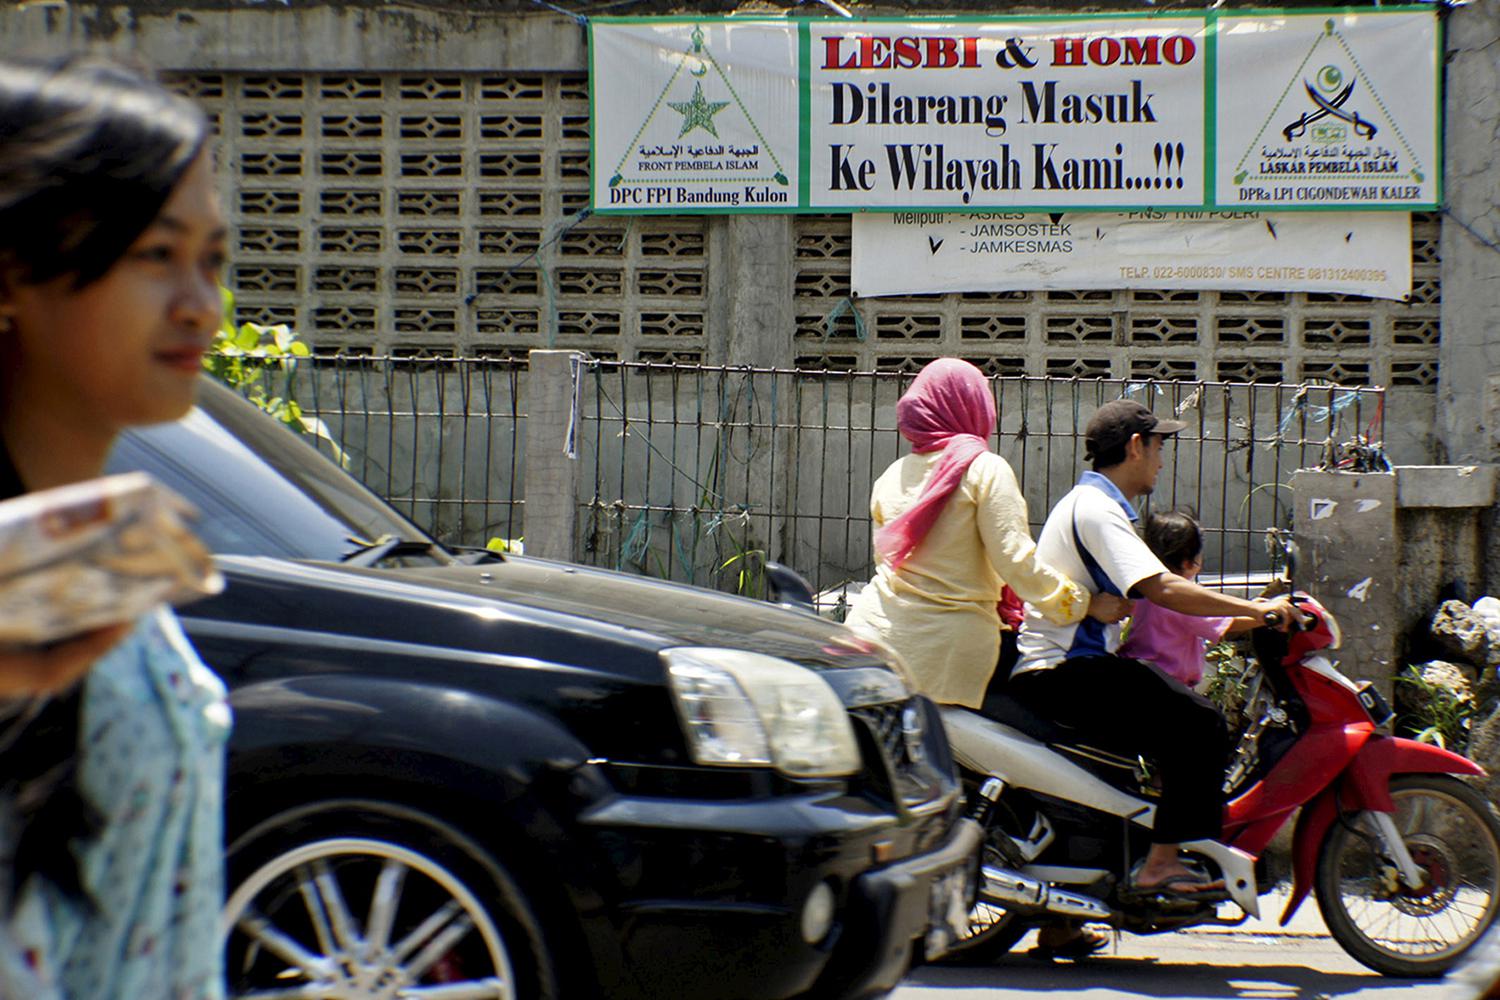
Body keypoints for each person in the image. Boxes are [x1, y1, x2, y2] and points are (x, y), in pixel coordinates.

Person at [0, 55, 229, 998]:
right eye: (154, 254)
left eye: (212, 259)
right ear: (15, 269)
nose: (199, 305)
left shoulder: (104, 561)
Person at [1009, 399, 1300, 897]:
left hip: (1069, 667)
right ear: (1135, 446)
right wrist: (1258, 610)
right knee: (1200, 722)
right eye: (1160, 445)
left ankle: (1084, 901)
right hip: (1064, 672)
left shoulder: (1097, 506)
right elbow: (1164, 588)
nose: (1163, 460)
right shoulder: (1098, 511)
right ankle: (1162, 864)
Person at [844, 358, 1131, 710]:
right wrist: (1081, 604)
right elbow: (1015, 560)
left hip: (872, 639)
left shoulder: (891, 475)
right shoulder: (984, 469)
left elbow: (886, 560)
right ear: (972, 407)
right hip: (947, 655)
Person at [1118, 510, 1262, 689]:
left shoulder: (1145, 587)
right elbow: (1227, 622)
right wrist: (1262, 617)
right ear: (1188, 562)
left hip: (1138, 672)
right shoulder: (1182, 598)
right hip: (1169, 684)